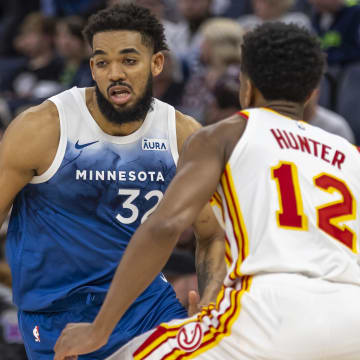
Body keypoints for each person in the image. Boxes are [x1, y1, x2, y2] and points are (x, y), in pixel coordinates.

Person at [54, 22, 360, 360]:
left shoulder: (225, 135)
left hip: (270, 312)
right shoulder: (351, 154)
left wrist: (99, 329)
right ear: (313, 91)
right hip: (351, 318)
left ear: (247, 85)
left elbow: (165, 227)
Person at [0, 4, 226, 359]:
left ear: (157, 63)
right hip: (55, 314)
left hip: (146, 308)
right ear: (92, 67)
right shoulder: (43, 128)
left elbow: (212, 234)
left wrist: (210, 302)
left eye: (129, 60)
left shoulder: (183, 136)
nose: (114, 73)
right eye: (102, 62)